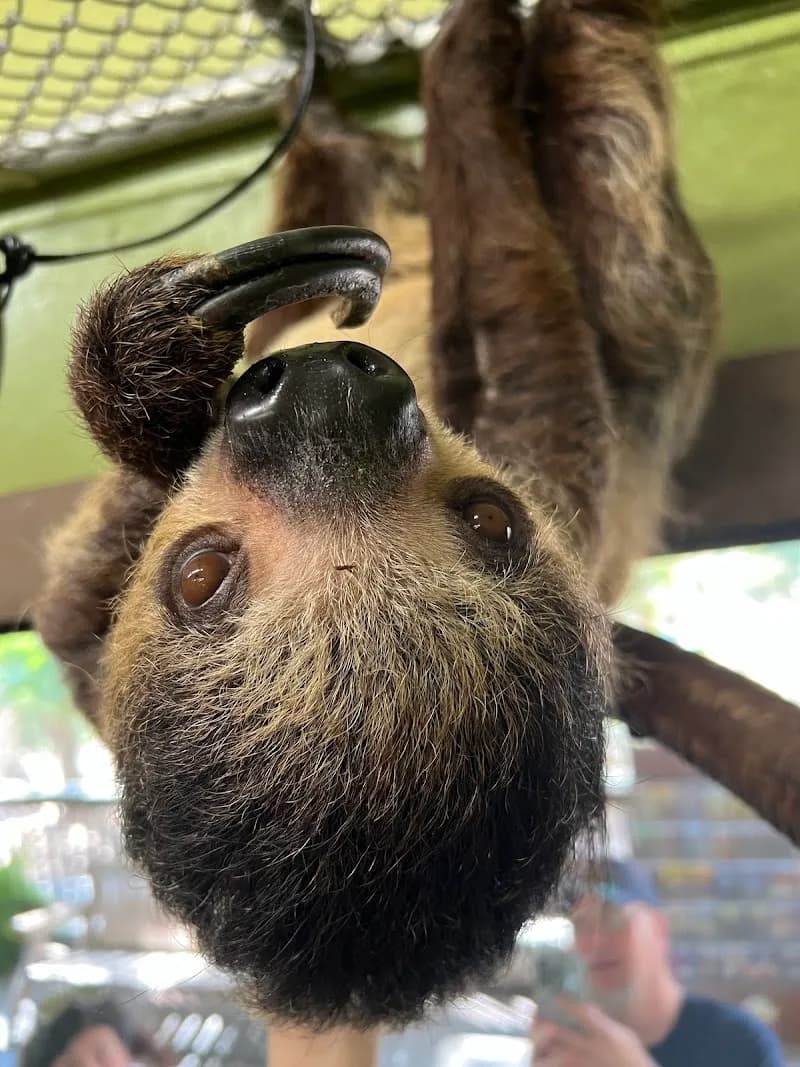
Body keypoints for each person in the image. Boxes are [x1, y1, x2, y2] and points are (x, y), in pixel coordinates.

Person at [531, 859, 784, 1067]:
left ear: (659, 929)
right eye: (581, 924)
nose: (594, 942)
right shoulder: (573, 1048)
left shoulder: (739, 1043)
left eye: (612, 918)